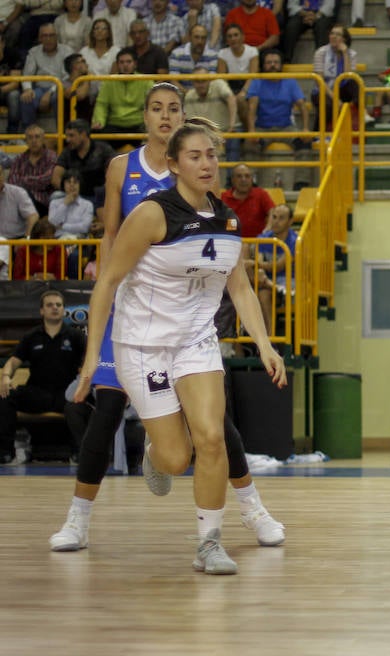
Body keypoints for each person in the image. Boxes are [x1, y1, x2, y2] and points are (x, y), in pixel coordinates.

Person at [49, 84, 285, 555]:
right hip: (134, 319)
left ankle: (244, 513)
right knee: (112, 415)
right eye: (156, 108)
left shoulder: (213, 198)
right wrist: (94, 350)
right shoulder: (124, 170)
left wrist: (264, 342)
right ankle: (78, 518)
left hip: (190, 328)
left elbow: (235, 277)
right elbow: (112, 240)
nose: (165, 115)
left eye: (173, 108)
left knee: (215, 429)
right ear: (146, 117)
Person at [0, 290, 86, 464]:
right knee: (5, 397)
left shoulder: (76, 336)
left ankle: (80, 453)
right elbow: (13, 361)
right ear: (41, 311)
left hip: (66, 394)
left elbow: (88, 363)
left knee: (83, 402)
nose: (54, 308)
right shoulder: (31, 336)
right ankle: (6, 453)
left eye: (58, 305)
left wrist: (84, 382)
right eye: (49, 305)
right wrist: (6, 377)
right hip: (37, 393)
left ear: (63, 310)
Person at [246, 48, 309, 150]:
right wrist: (252, 130)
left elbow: (302, 105)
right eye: (269, 62)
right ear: (263, 65)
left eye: (276, 62)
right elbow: (251, 107)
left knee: (305, 143)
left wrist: (305, 128)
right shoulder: (257, 82)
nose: (272, 65)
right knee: (249, 145)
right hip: (262, 128)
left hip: (286, 128)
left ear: (281, 65)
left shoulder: (290, 82)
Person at [92, 49, 154, 147]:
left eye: (128, 62)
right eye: (122, 62)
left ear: (135, 64)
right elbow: (101, 104)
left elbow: (152, 104)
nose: (125, 65)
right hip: (115, 125)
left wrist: (149, 123)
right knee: (96, 137)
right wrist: (99, 121)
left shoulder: (146, 81)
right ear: (117, 65)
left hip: (138, 125)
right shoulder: (109, 81)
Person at [310, 24, 365, 132]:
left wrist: (345, 53)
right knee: (328, 104)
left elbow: (348, 76)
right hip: (323, 91)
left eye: (338, 34)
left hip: (341, 89)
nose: (334, 36)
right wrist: (335, 99)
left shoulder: (351, 54)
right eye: (332, 33)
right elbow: (319, 81)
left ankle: (364, 113)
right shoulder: (321, 52)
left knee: (355, 83)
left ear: (344, 39)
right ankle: (318, 133)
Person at [19, 24, 74, 130]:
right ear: (40, 38)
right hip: (39, 88)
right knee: (26, 98)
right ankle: (29, 134)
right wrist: (28, 89)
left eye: (51, 35)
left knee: (57, 98)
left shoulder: (67, 51)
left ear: (57, 37)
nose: (48, 39)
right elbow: (27, 74)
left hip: (59, 88)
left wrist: (50, 92)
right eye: (45, 36)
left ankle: (62, 134)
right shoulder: (34, 52)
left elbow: (67, 77)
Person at [51, 119, 116, 208]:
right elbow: (55, 178)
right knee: (56, 196)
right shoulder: (67, 152)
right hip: (75, 197)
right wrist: (69, 191)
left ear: (83, 134)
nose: (67, 140)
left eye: (71, 135)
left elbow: (114, 174)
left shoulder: (103, 149)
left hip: (98, 197)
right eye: (67, 136)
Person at [255, 202, 295, 333]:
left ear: (290, 221)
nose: (276, 222)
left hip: (288, 284)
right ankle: (270, 340)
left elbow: (278, 267)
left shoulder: (296, 241)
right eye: (274, 217)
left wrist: (257, 266)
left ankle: (269, 338)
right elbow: (259, 261)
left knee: (262, 289)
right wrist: (259, 267)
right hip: (265, 282)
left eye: (281, 218)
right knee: (263, 293)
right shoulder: (263, 238)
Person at [184, 65, 237, 158]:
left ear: (210, 80)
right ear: (192, 83)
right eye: (197, 81)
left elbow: (231, 99)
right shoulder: (189, 96)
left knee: (235, 136)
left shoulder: (219, 85)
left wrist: (231, 126)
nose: (201, 84)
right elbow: (191, 123)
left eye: (204, 80)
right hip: (206, 137)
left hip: (227, 131)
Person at [8, 123, 57, 217]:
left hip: (43, 204)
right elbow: (12, 183)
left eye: (37, 137)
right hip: (21, 202)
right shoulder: (19, 159)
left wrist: (24, 180)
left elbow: (46, 180)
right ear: (26, 141)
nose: (34, 141)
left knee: (24, 193)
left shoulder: (51, 156)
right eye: (30, 138)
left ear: (43, 139)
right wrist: (32, 183)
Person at [217, 23, 258, 129]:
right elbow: (222, 78)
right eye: (229, 36)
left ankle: (248, 131)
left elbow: (253, 75)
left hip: (249, 85)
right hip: (231, 85)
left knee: (241, 100)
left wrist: (244, 92)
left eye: (236, 35)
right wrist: (229, 94)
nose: (233, 38)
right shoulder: (222, 53)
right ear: (226, 40)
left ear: (243, 37)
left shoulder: (252, 51)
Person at [221, 162, 274, 238]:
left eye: (247, 176)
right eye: (239, 176)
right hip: (231, 243)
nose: (243, 179)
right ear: (232, 179)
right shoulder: (224, 198)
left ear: (252, 179)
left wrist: (267, 230)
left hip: (257, 244)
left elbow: (272, 212)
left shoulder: (261, 194)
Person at [168, 23, 218, 89]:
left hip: (205, 95)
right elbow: (173, 81)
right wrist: (188, 95)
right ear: (189, 37)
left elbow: (212, 81)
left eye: (203, 38)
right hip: (183, 94)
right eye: (196, 37)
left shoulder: (212, 55)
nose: (200, 41)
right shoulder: (177, 54)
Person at [49, 169, 94, 238]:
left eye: (75, 182)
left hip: (80, 241)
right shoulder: (54, 203)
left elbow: (84, 227)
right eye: (68, 182)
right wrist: (64, 204)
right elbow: (52, 225)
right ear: (63, 184)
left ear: (80, 185)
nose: (72, 185)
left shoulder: (87, 205)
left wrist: (62, 226)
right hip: (58, 241)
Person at [80, 18, 120, 93]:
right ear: (92, 32)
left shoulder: (116, 51)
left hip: (109, 91)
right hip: (87, 91)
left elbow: (114, 76)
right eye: (96, 28)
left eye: (103, 28)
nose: (99, 31)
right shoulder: (84, 52)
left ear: (108, 33)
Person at [0, 33, 22, 136]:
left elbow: (15, 83)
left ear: (3, 43)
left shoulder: (12, 54)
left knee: (14, 95)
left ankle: (12, 134)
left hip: (8, 91)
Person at [62, 52, 93, 122]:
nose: (87, 65)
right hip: (71, 124)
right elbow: (80, 96)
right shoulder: (63, 85)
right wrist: (87, 78)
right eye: (83, 62)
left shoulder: (91, 82)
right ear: (75, 66)